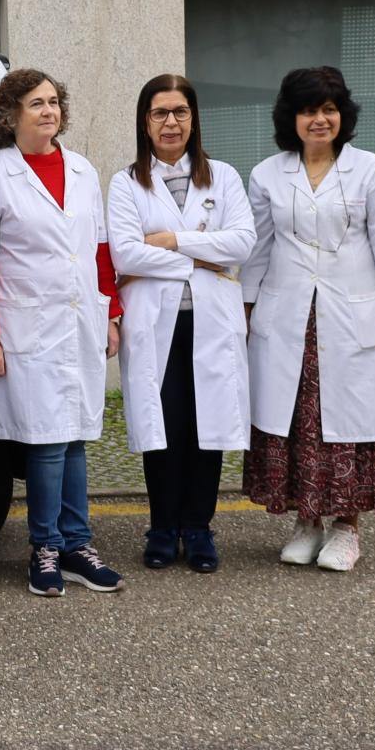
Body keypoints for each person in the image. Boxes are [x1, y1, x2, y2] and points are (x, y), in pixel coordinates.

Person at [241, 66, 375, 572]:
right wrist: (246, 310)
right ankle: (306, 522)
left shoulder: (370, 170)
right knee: (296, 422)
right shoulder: (268, 174)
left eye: (330, 109)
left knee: (348, 424)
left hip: (350, 317)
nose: (320, 119)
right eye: (309, 110)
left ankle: (346, 528)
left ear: (343, 116)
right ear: (290, 117)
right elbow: (256, 249)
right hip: (287, 316)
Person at [0, 69, 126, 597]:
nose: (48, 112)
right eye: (36, 104)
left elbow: (101, 248)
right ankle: (44, 547)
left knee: (76, 437)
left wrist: (112, 313)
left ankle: (76, 545)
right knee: (44, 441)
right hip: (26, 325)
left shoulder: (83, 169)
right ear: (9, 114)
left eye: (53, 102)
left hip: (81, 317)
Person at [106, 74, 256, 574]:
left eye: (180, 112)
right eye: (159, 113)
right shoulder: (126, 182)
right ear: (144, 123)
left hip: (210, 322)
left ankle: (199, 527)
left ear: (193, 120)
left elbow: (242, 244)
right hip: (156, 326)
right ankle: (162, 527)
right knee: (163, 425)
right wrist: (201, 254)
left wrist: (170, 241)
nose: (170, 122)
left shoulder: (225, 178)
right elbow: (125, 252)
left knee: (206, 425)